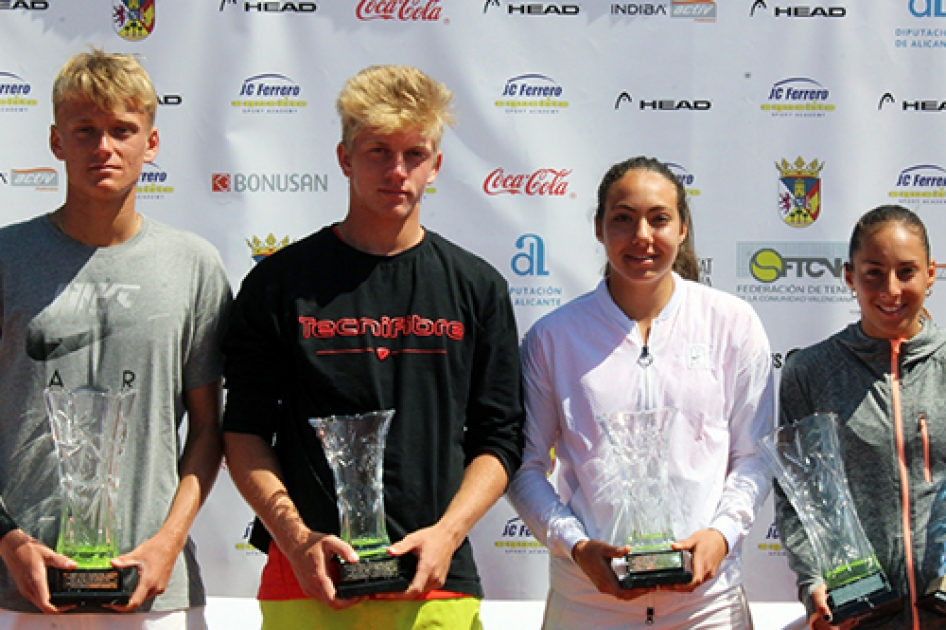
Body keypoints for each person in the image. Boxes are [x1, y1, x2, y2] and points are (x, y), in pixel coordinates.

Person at [220, 64, 523, 630]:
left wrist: (447, 534)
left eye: (415, 153)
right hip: (306, 580)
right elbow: (244, 433)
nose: (397, 170)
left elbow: (499, 438)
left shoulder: (477, 287)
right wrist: (296, 537)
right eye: (378, 150)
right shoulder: (278, 284)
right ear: (344, 158)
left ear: (436, 165)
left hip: (436, 584)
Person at [0, 49, 231, 627]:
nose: (104, 147)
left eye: (122, 130)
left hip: (152, 587)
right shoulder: (6, 258)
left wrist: (167, 542)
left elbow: (208, 429)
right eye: (85, 131)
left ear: (151, 143)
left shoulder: (193, 264)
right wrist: (8, 540)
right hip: (21, 584)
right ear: (57, 142)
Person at [508, 156, 775, 629]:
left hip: (706, 606)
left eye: (659, 219)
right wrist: (577, 547)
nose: (642, 236)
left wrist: (721, 534)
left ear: (684, 227)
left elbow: (753, 457)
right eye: (623, 219)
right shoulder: (554, 336)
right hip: (588, 602)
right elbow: (525, 467)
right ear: (598, 227)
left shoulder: (732, 323)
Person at [776, 204, 946, 630]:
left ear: (932, 273)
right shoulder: (811, 371)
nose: (890, 289)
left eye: (906, 271)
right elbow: (796, 497)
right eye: (873, 272)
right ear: (849, 276)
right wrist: (813, 581)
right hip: (863, 614)